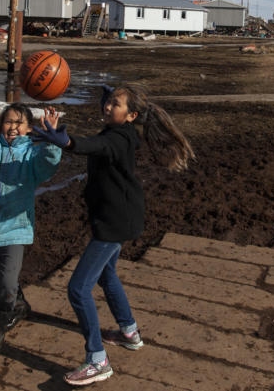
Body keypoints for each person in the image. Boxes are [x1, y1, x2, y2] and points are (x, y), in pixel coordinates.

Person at [33, 83, 194, 386]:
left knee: (78, 289)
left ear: (131, 115)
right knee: (107, 276)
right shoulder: (117, 132)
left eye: (115, 104)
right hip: (116, 216)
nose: (108, 106)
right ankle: (129, 332)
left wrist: (65, 142)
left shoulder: (120, 138)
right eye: (108, 101)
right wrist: (66, 135)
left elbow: (95, 147)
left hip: (114, 223)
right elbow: (97, 143)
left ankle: (97, 359)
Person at [0, 93, 62, 372]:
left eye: (20, 123)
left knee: (6, 285)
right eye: (8, 122)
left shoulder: (31, 157)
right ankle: (18, 304)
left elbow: (48, 164)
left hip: (16, 229)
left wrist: (52, 140)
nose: (13, 127)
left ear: (30, 129)